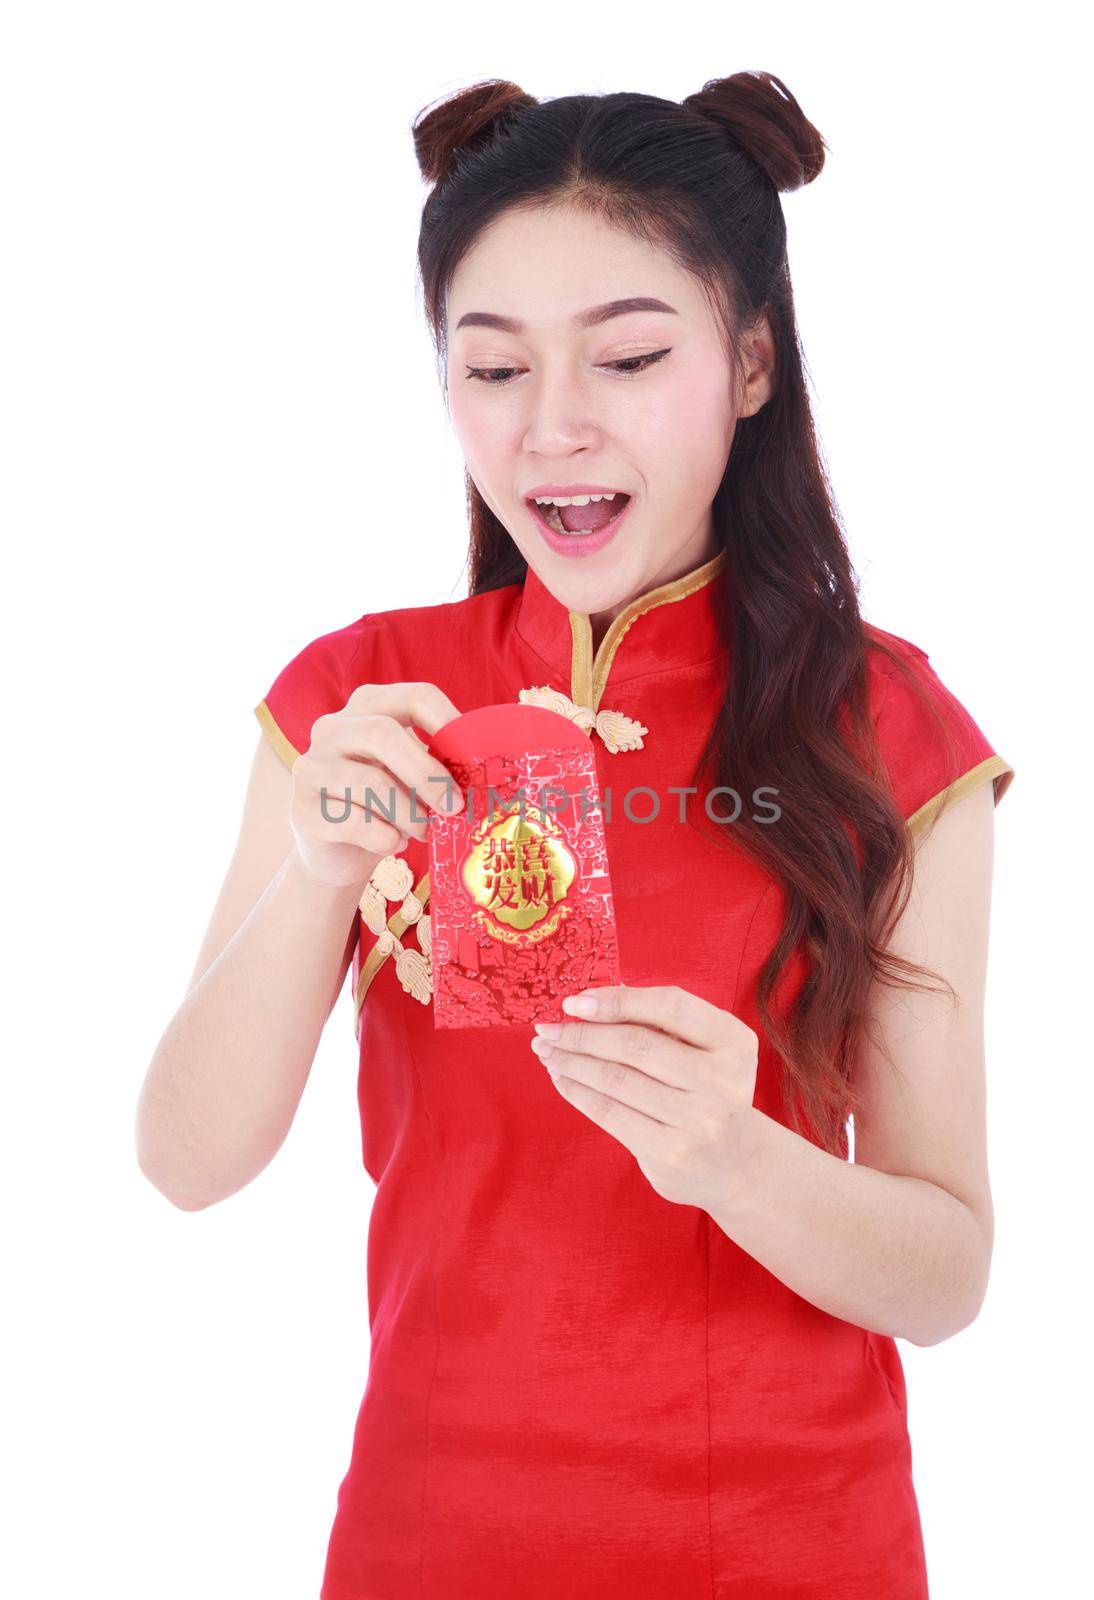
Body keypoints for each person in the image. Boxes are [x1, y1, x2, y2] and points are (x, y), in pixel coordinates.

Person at [135, 71, 1015, 1599]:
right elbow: (187, 1160)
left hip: (790, 1547)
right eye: (490, 369)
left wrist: (736, 1160)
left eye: (625, 356)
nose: (551, 427)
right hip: (428, 1533)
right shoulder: (357, 699)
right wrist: (317, 873)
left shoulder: (892, 729)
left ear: (748, 364)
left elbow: (943, 1276)